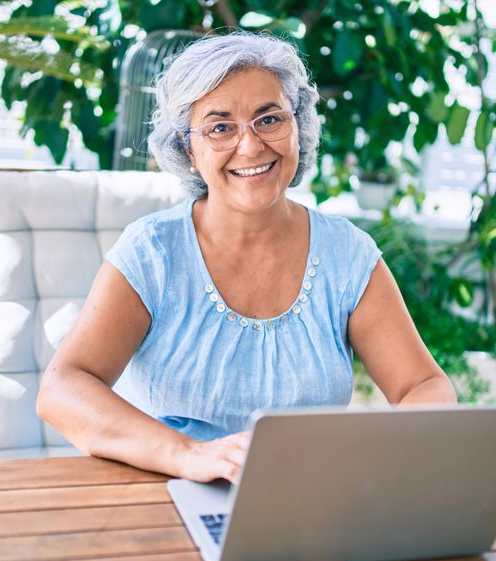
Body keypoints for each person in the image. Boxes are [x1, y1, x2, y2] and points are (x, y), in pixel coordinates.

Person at [38, 31, 456, 484]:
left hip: (306, 500)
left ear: (299, 127)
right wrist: (190, 456)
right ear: (187, 151)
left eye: (269, 119)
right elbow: (64, 388)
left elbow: (423, 385)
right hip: (170, 493)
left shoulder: (347, 254)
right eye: (220, 127)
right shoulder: (153, 253)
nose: (251, 146)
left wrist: (376, 453)